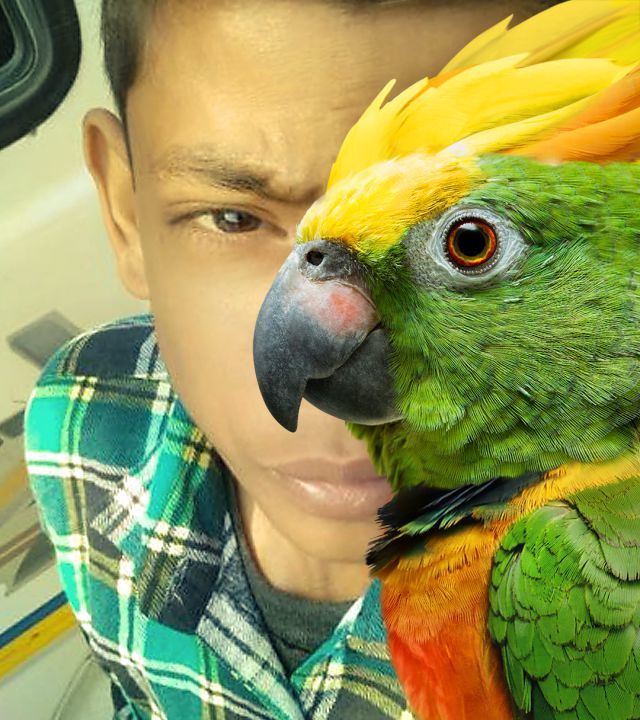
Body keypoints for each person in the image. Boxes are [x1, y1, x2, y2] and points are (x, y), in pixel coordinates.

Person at [25, 1, 561, 717]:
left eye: (473, 240)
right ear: (126, 212)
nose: (337, 399)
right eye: (234, 219)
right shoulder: (86, 421)